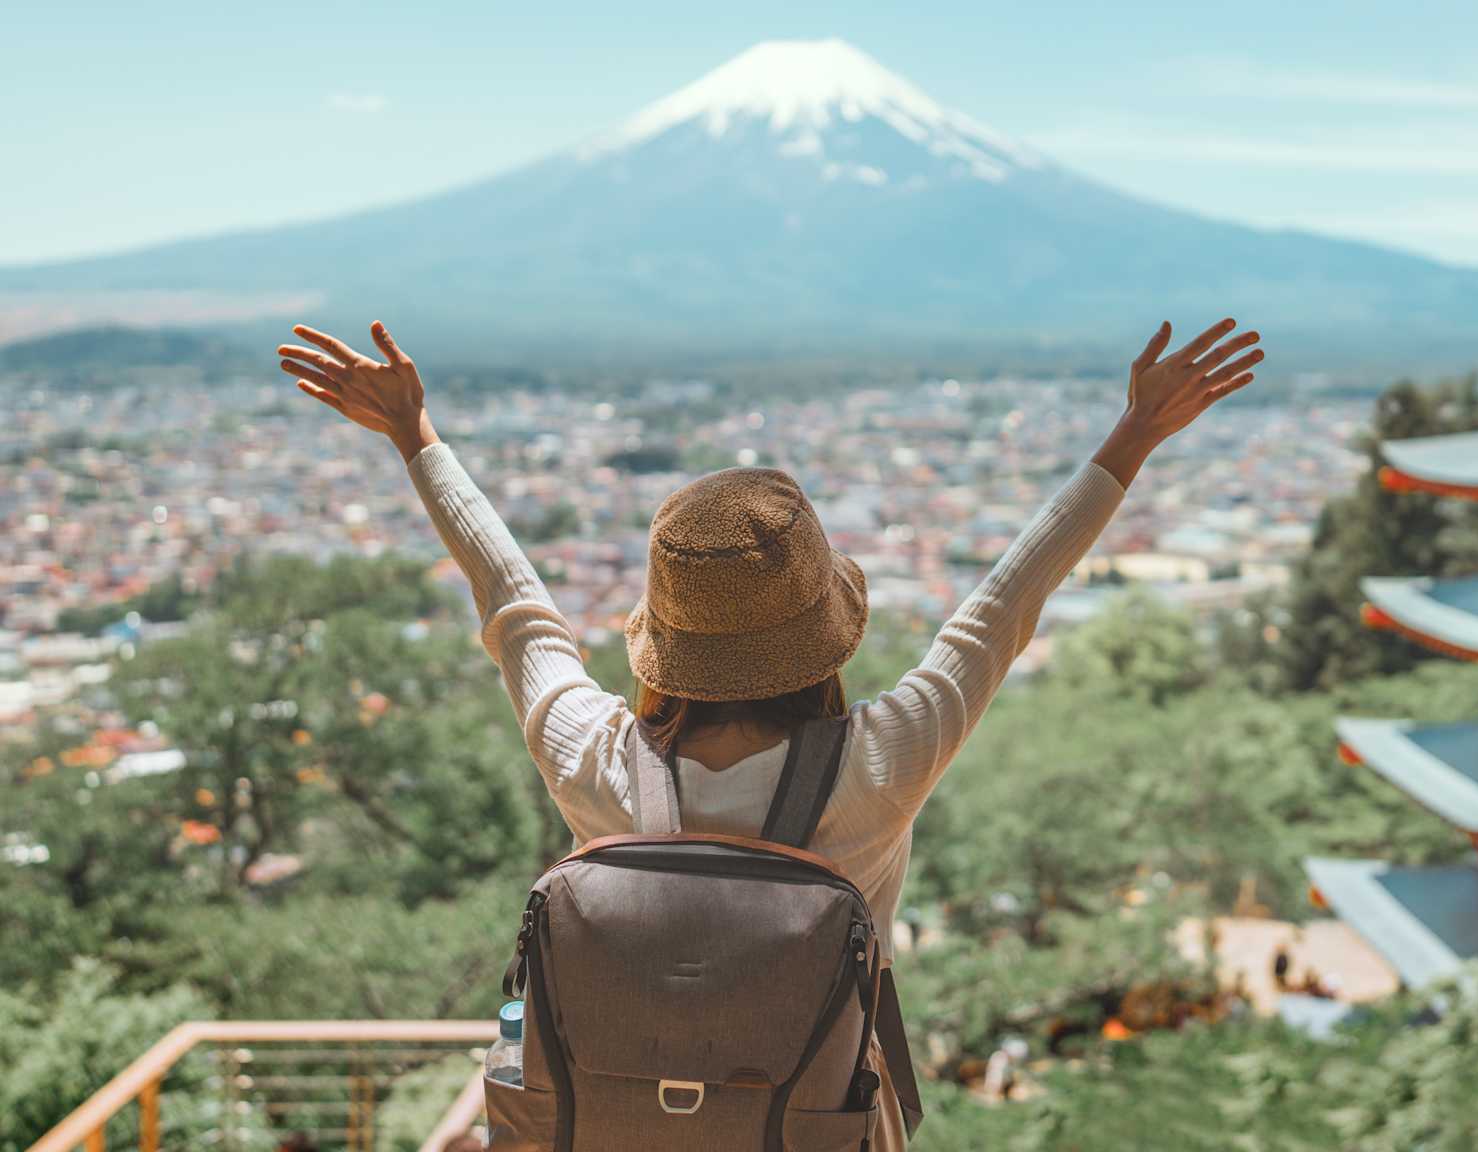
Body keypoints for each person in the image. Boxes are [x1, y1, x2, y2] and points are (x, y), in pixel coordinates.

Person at [278, 316, 1262, 1149]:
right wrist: (1132, 433)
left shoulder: (596, 759)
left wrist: (415, 436)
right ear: (821, 633)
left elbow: (513, 606)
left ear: (662, 639)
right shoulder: (881, 761)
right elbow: (1003, 604)